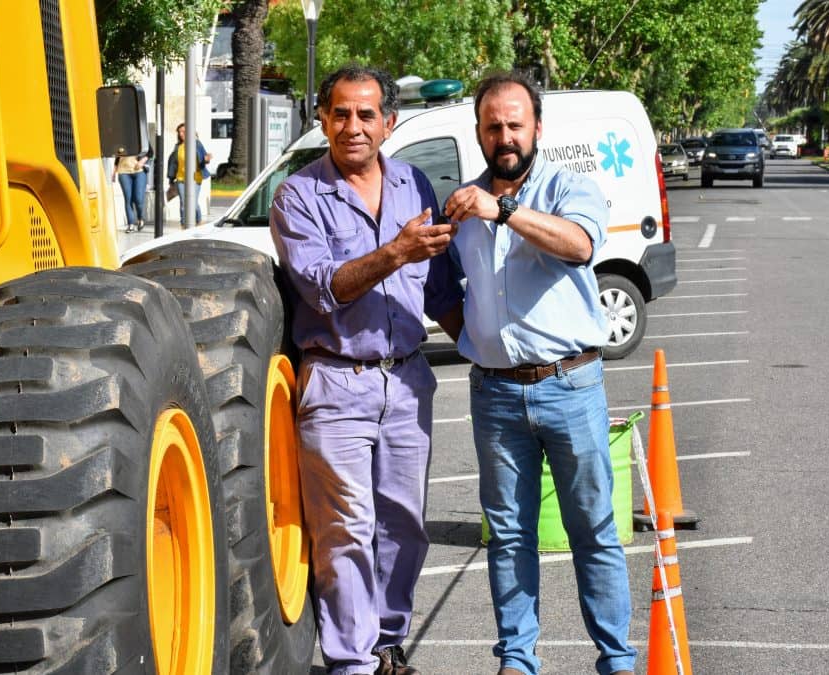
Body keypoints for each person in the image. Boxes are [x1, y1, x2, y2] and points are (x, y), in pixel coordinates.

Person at [269, 64, 463, 675]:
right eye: (341, 114)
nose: (353, 126)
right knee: (346, 530)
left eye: (366, 114)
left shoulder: (413, 184)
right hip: (337, 382)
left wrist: (492, 356)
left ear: (389, 123)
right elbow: (323, 287)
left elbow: (439, 290)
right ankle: (351, 663)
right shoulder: (298, 195)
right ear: (323, 120)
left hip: (407, 380)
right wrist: (396, 251)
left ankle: (386, 645)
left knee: (405, 525)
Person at [443, 72, 637, 675]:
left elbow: (579, 245)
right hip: (495, 395)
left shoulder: (569, 186)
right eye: (492, 126)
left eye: (514, 124)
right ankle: (517, 660)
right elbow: (442, 285)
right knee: (508, 536)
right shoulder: (462, 204)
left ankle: (616, 661)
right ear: (478, 132)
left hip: (570, 386)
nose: (504, 136)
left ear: (537, 129)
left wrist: (503, 210)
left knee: (594, 531)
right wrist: (475, 338)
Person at [167, 122, 211, 228]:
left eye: (183, 131)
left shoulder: (197, 144)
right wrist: (171, 179)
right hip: (181, 179)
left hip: (195, 178)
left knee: (193, 204)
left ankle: (198, 222)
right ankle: (183, 225)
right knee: (183, 203)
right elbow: (173, 163)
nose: (181, 134)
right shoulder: (178, 147)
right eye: (179, 132)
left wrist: (206, 159)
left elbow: (204, 158)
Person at [113, 147, 151, 232]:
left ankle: (140, 218)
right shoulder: (120, 140)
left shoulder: (140, 137)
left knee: (138, 199)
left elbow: (150, 151)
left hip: (139, 171)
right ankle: (131, 224)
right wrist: (114, 171)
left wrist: (142, 160)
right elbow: (117, 156)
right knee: (128, 199)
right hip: (123, 171)